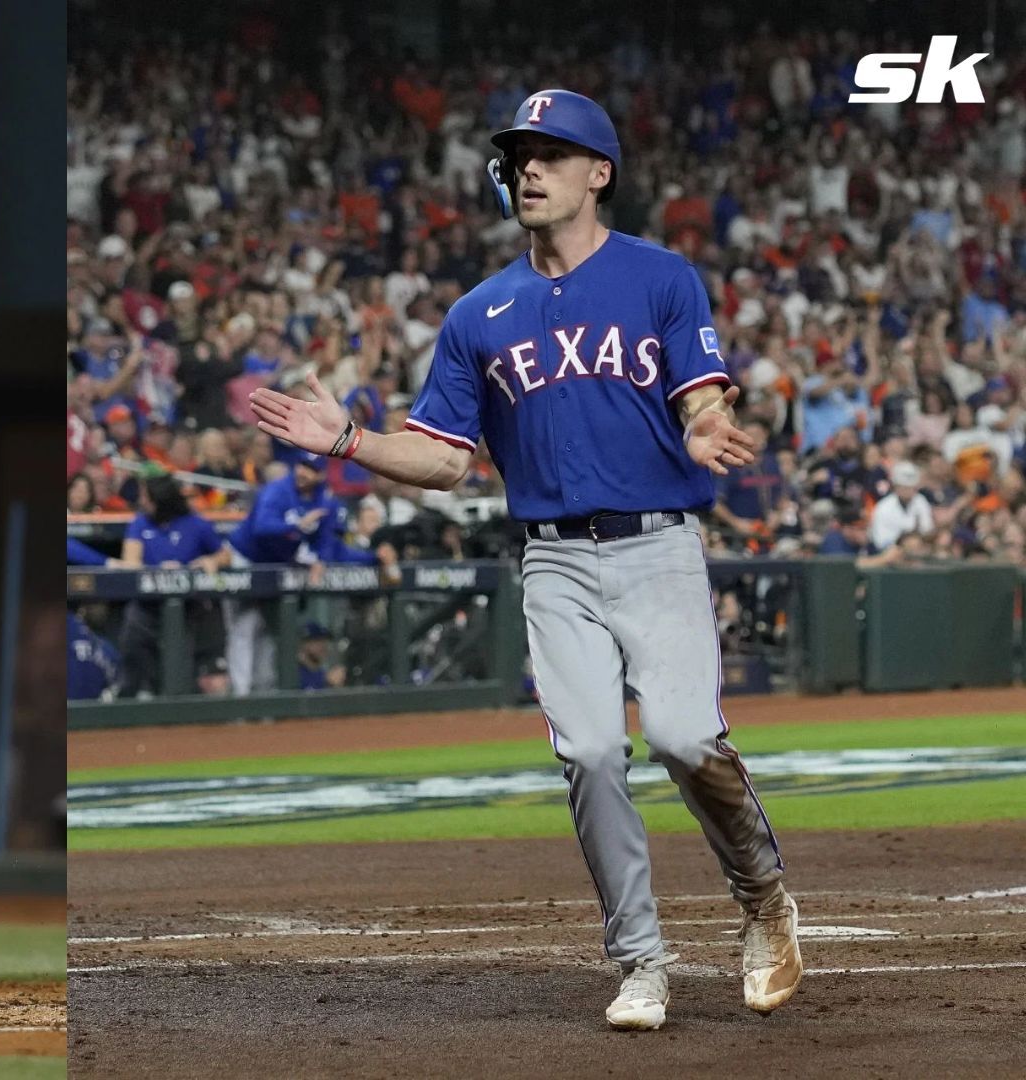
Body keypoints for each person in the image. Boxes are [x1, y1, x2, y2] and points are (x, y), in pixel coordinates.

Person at [250, 90, 799, 1032]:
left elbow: (702, 395)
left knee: (680, 738)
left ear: (600, 172)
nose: (530, 170)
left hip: (658, 541)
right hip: (552, 559)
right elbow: (446, 460)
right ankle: (640, 963)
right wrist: (349, 440)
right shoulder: (479, 313)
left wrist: (708, 426)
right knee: (588, 751)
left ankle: (764, 900)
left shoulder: (662, 278)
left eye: (552, 152)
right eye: (519, 156)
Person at [221, 451, 383, 694]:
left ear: (321, 474)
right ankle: (240, 697)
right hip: (245, 559)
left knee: (269, 632)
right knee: (245, 629)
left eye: (311, 468)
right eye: (301, 466)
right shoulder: (278, 490)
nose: (303, 473)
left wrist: (330, 560)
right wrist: (296, 526)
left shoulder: (324, 500)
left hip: (277, 565)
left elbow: (330, 544)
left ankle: (263, 694)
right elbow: (261, 528)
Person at [116, 474, 225, 695]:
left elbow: (225, 555)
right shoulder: (140, 522)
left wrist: (210, 560)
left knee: (181, 661)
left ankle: (181, 704)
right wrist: (157, 570)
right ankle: (131, 696)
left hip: (187, 608)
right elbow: (130, 562)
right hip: (147, 605)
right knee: (132, 642)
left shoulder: (195, 523)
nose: (142, 500)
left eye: (147, 496)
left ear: (162, 501)